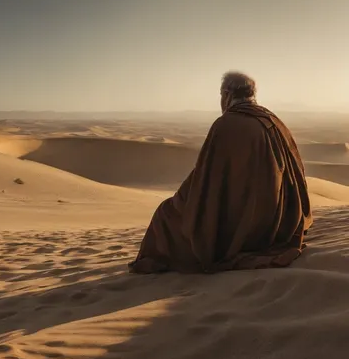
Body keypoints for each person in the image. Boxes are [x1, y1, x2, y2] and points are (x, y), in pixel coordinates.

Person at [129, 71, 312, 274]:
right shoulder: (274, 120)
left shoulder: (226, 125)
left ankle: (158, 262)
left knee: (165, 214)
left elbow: (206, 178)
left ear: (226, 94)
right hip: (277, 221)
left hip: (242, 223)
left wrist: (182, 200)